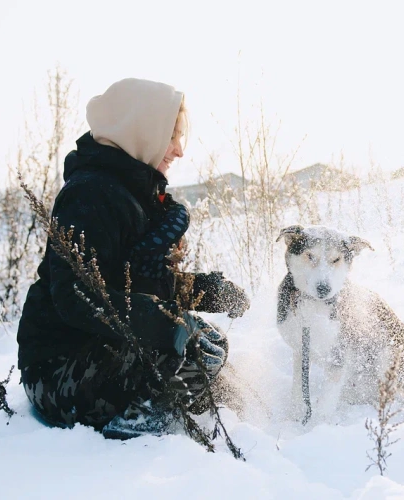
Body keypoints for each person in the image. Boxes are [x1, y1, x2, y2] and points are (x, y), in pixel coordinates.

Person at [17, 78, 250, 439]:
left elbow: (140, 281)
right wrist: (168, 324)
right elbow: (76, 297)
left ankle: (246, 434)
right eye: (171, 136)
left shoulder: (134, 193)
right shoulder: (88, 196)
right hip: (58, 369)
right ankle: (140, 438)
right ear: (142, 130)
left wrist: (207, 292)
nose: (178, 150)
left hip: (101, 353)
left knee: (217, 367)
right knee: (186, 351)